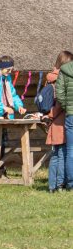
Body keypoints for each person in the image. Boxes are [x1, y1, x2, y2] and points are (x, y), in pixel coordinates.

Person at [55, 50, 73, 191]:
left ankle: (70, 184)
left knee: (70, 150)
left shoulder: (64, 71)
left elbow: (59, 94)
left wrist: (68, 107)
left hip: (71, 115)